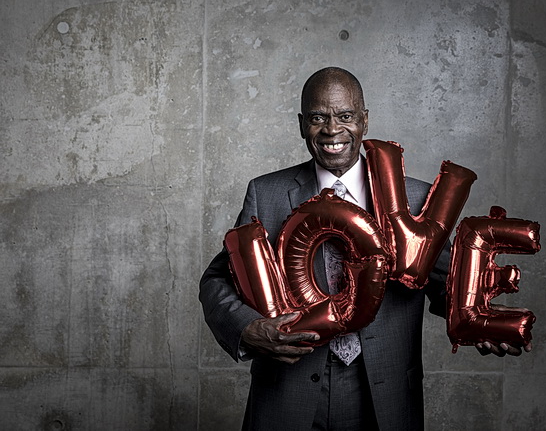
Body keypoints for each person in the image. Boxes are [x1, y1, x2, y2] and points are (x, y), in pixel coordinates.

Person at [199, 67, 527, 431]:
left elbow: (447, 286)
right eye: (317, 118)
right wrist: (248, 330)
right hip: (287, 392)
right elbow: (217, 280)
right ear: (301, 124)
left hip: (382, 396)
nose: (331, 130)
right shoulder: (267, 193)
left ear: (364, 121)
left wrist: (479, 325)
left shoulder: (417, 199)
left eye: (345, 116)